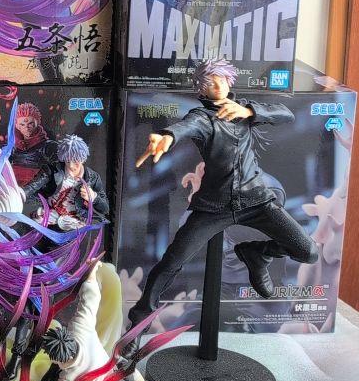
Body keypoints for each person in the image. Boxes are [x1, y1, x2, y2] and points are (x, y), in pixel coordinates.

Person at [127, 57, 318, 326]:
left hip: (256, 200)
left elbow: (286, 114)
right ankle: (139, 320)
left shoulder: (243, 111)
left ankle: (258, 253)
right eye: (210, 82)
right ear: (201, 88)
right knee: (171, 262)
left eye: (222, 79)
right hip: (214, 207)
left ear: (229, 80)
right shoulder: (202, 117)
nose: (218, 86)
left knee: (308, 251)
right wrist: (166, 136)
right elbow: (186, 127)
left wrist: (249, 111)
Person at [0, 261, 141, 381]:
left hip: (104, 377)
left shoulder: (72, 378)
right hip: (101, 359)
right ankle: (126, 368)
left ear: (59, 360)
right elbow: (90, 298)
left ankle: (131, 375)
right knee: (50, 380)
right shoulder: (79, 328)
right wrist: (92, 271)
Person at [23, 135, 109, 231]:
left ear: (83, 158)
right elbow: (33, 185)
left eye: (75, 160)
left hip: (75, 220)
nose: (71, 166)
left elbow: (105, 209)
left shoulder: (93, 177)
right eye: (68, 161)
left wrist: (93, 197)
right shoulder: (52, 170)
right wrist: (20, 193)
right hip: (49, 213)